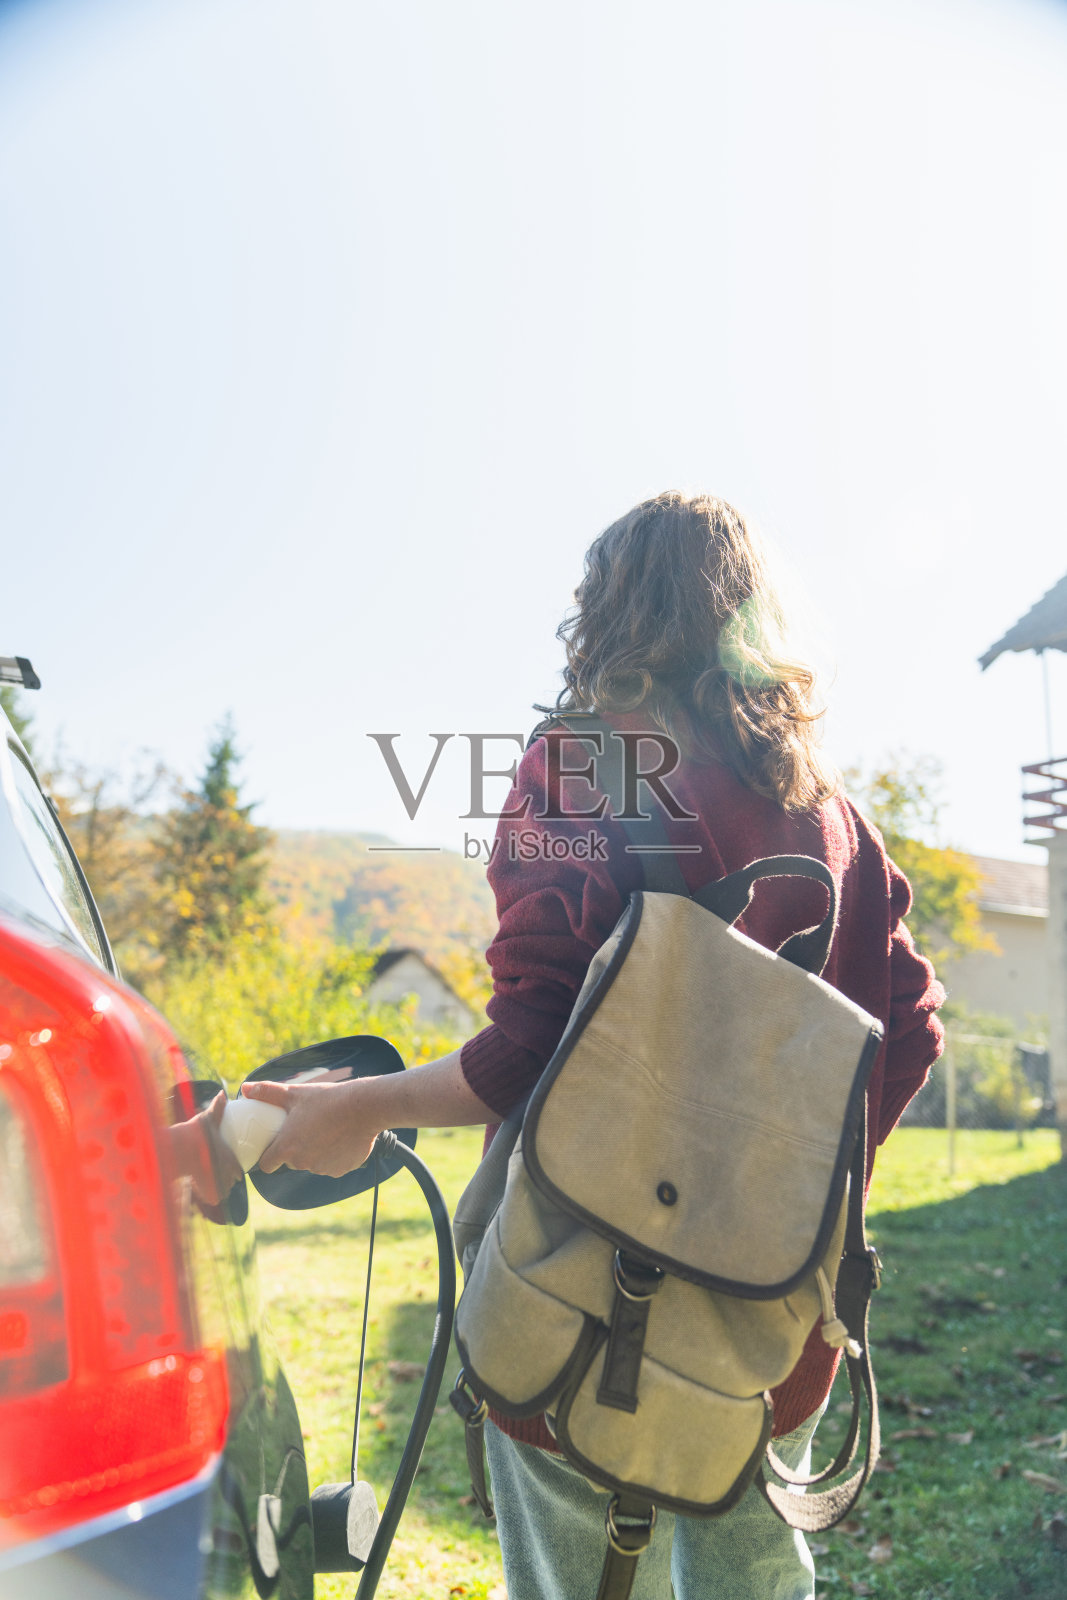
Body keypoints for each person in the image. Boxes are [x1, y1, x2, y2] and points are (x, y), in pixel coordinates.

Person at [244, 491, 945, 1600]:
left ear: (604, 611)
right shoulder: (835, 821)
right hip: (768, 1316)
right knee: (753, 1579)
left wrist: (357, 1107)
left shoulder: (582, 765)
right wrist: (801, 1193)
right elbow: (906, 1028)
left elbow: (525, 1043)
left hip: (570, 1286)